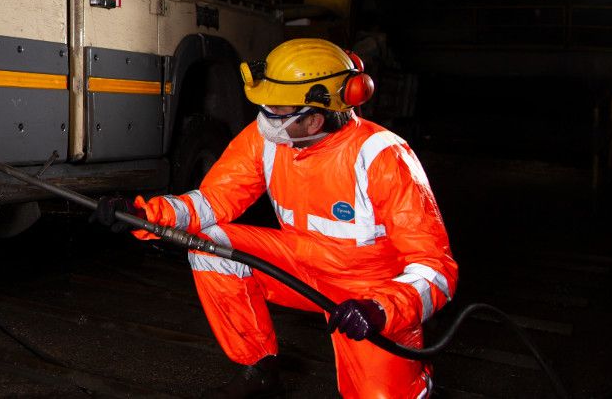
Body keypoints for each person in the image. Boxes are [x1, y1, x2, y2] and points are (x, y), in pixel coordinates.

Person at [94, 38, 457, 398]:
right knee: (210, 247)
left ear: (314, 119)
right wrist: (144, 215)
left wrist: (381, 310)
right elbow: (213, 200)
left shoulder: (383, 158)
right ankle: (259, 371)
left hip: (369, 294)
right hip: (301, 266)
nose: (264, 118)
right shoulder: (268, 138)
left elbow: (436, 269)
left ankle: (417, 384)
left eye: (275, 110)